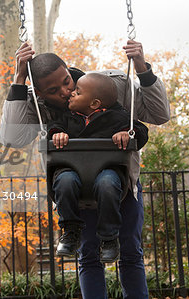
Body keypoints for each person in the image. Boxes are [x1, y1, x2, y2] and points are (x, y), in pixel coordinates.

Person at [0, 40, 170, 299]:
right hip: (77, 192)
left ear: (68, 69)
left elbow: (159, 115)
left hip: (121, 186)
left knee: (130, 252)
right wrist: (19, 79)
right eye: (54, 90)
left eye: (67, 81)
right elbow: (12, 138)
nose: (66, 92)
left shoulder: (110, 87)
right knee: (88, 255)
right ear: (40, 94)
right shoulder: (39, 107)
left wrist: (142, 68)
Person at [48, 72, 149, 263]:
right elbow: (52, 128)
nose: (71, 94)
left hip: (107, 171)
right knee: (64, 182)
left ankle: (109, 238)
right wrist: (57, 134)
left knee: (108, 184)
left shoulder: (117, 118)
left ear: (94, 103)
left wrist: (128, 133)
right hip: (71, 170)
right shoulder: (67, 118)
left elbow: (141, 130)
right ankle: (70, 231)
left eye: (77, 92)